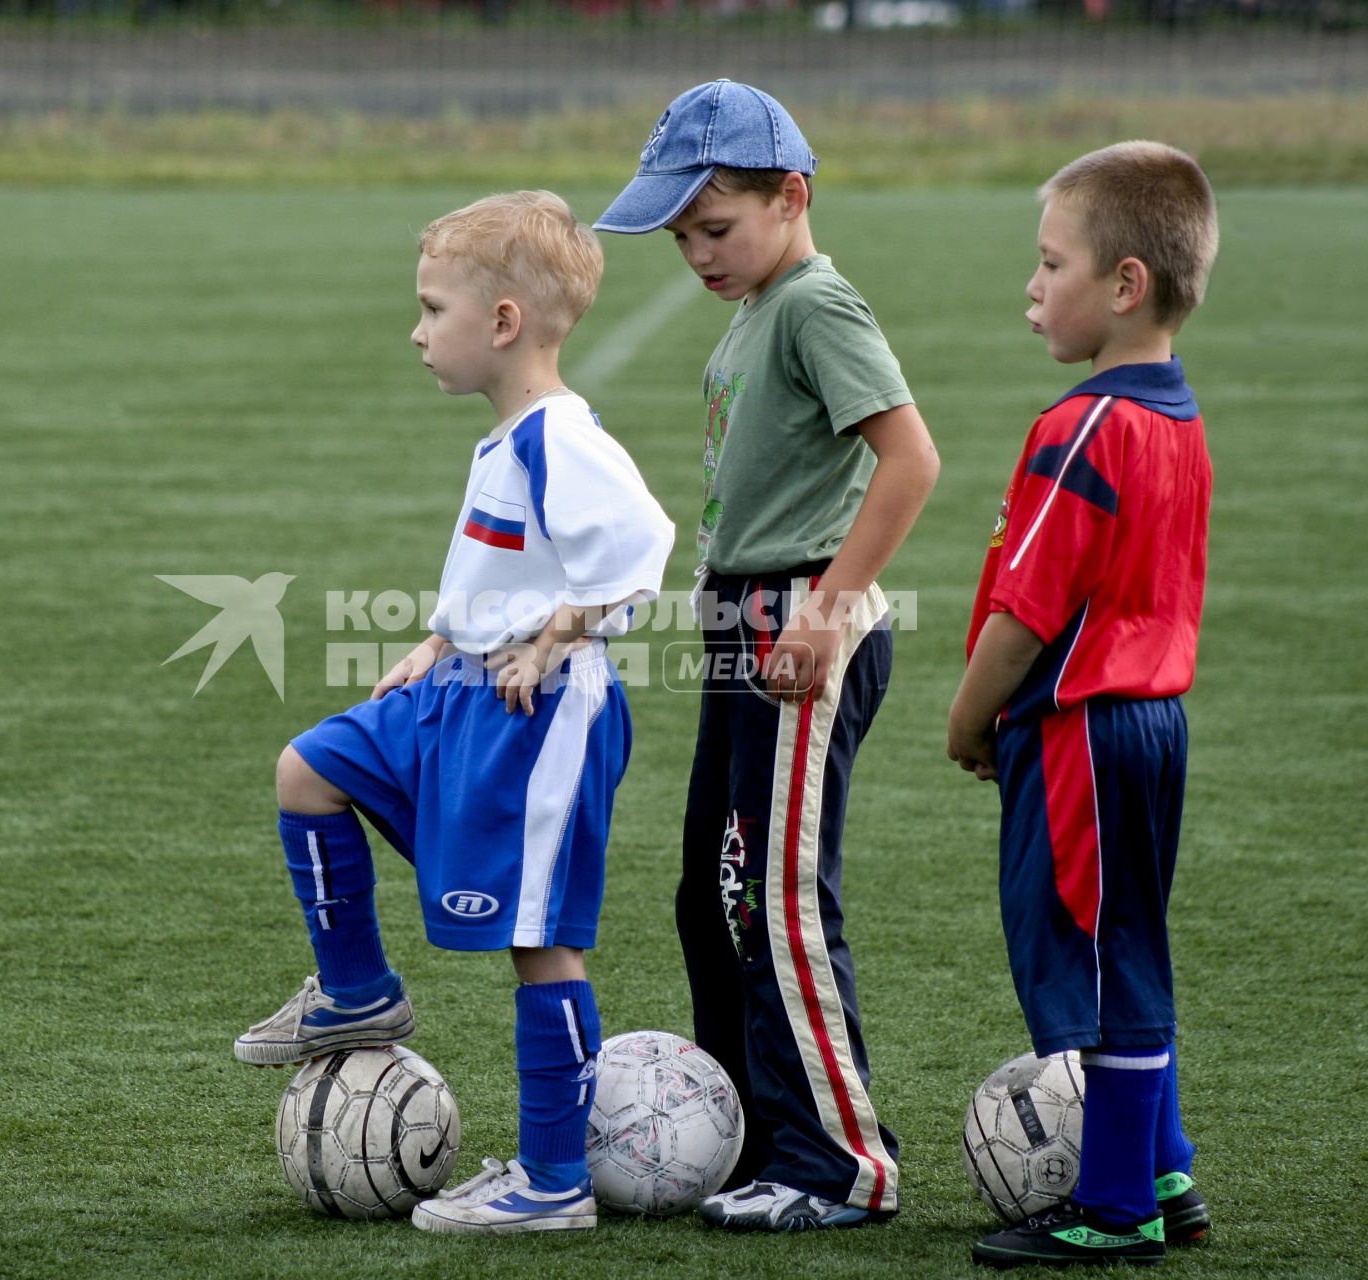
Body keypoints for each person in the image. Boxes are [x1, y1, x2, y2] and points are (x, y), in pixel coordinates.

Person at [232, 190, 675, 1237]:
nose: (419, 330)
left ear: (505, 322)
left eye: (434, 309)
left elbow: (643, 549)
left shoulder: (561, 435)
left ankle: (554, 1180)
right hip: (459, 690)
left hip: (537, 714)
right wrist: (438, 639)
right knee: (310, 768)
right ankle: (356, 989)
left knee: (539, 942)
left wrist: (559, 633)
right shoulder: (509, 436)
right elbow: (506, 560)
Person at [595, 80, 940, 1232]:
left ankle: (840, 1162)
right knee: (713, 892)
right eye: (681, 234)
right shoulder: (759, 305)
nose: (696, 252)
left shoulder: (814, 304)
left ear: (791, 197)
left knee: (777, 899)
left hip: (797, 620)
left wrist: (825, 611)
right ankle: (742, 1128)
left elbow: (910, 462)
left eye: (715, 226)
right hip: (744, 617)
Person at [946, 141, 1219, 1268]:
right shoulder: (1177, 417)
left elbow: (1026, 604)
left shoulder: (1087, 427)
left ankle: (1115, 1208)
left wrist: (969, 716)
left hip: (1084, 730)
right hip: (1147, 725)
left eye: (1050, 262)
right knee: (1126, 943)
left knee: (1100, 962)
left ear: (1124, 285)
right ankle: (1165, 1166)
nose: (1032, 286)